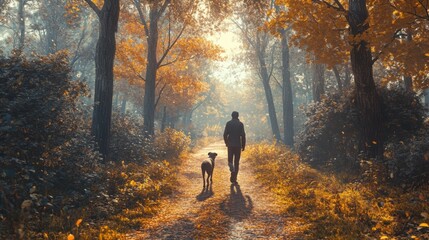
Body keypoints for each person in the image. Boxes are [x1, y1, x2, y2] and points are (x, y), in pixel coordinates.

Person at [223, 111, 246, 184]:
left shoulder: (228, 123)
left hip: (230, 145)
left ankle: (232, 171)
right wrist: (243, 145)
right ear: (238, 116)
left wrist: (227, 143)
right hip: (238, 145)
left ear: (231, 116)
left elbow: (225, 134)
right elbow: (243, 136)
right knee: (236, 162)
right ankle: (234, 177)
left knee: (230, 161)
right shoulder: (240, 124)